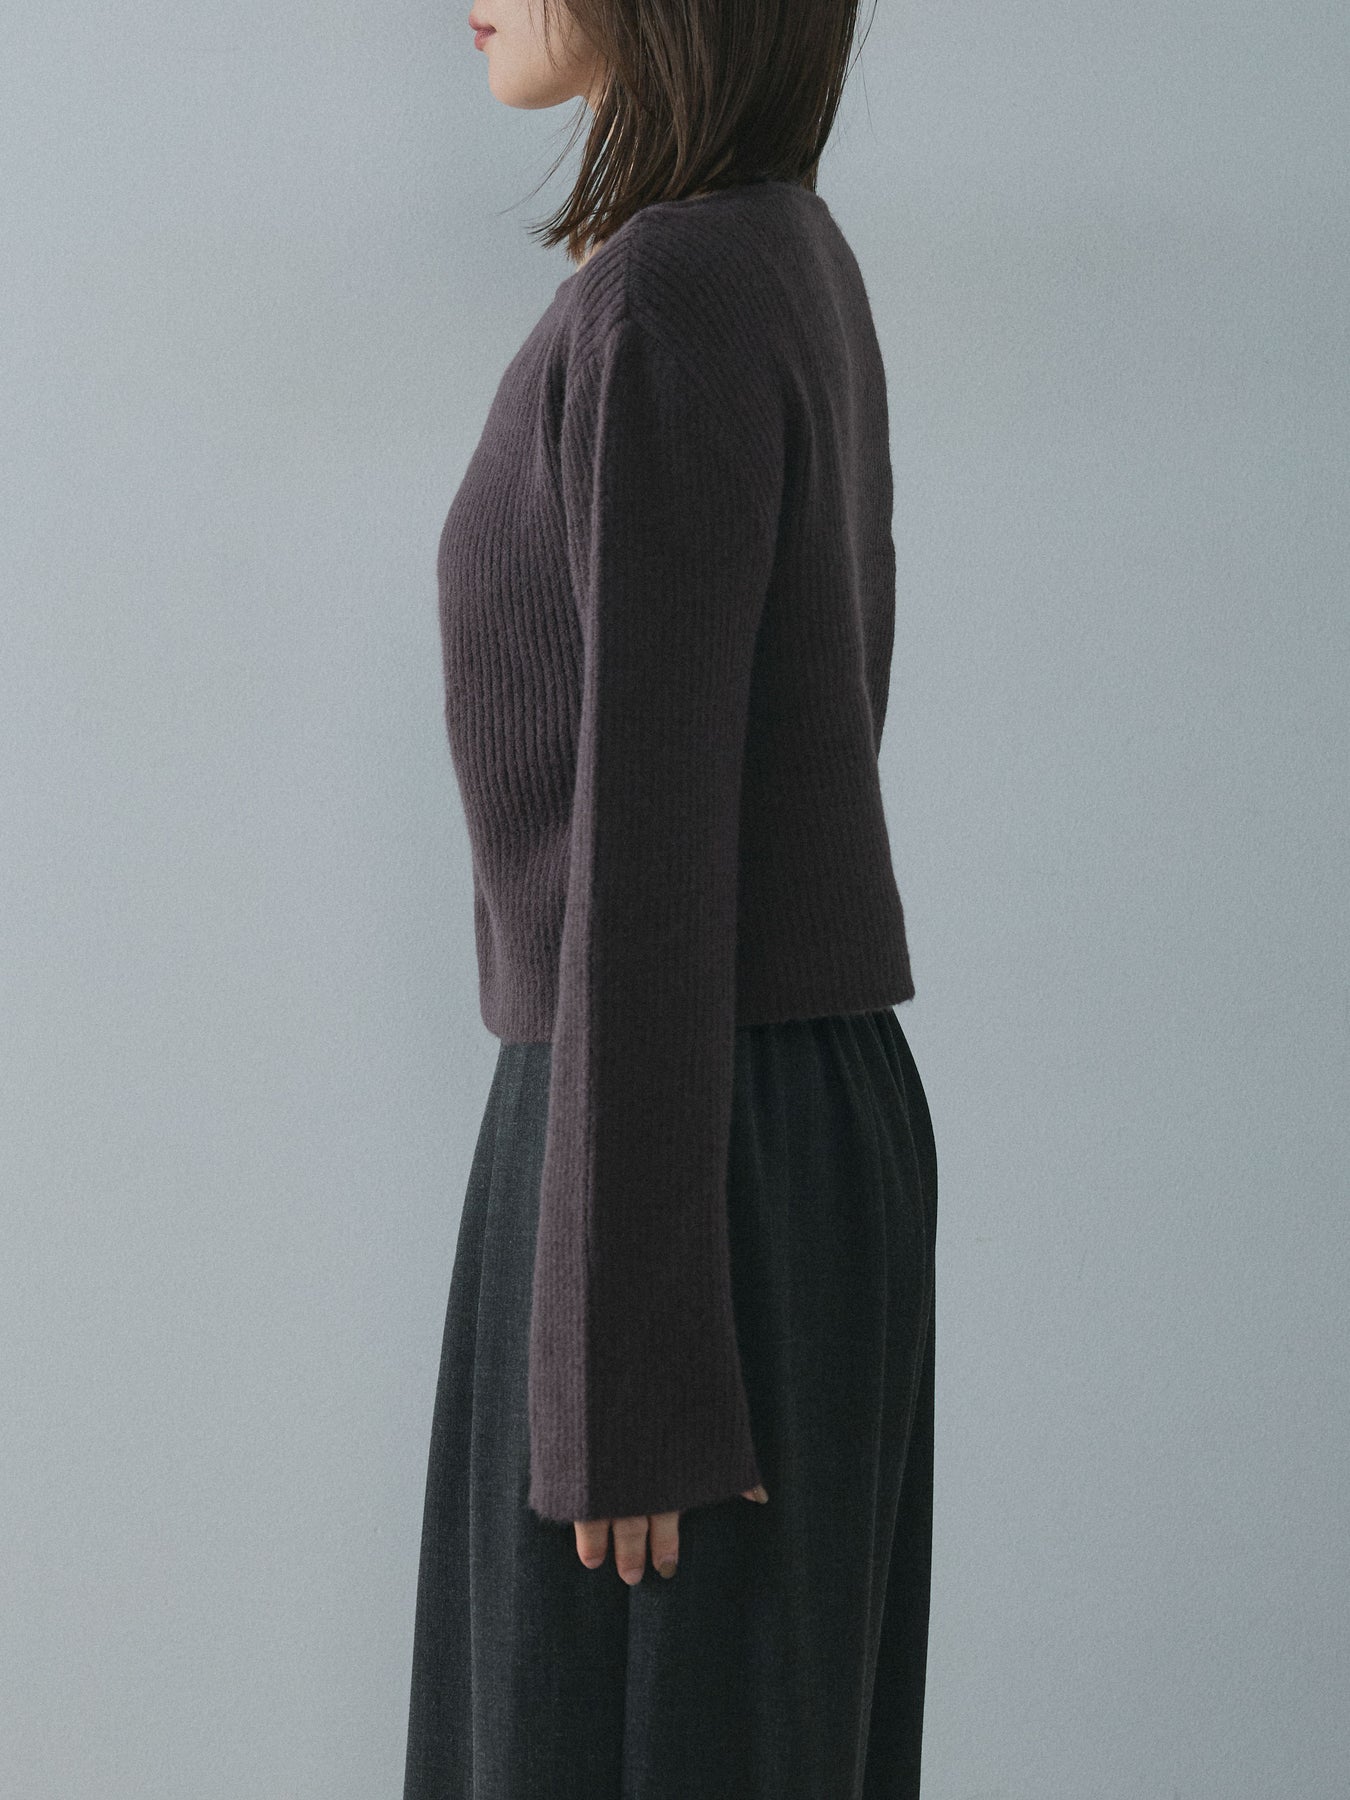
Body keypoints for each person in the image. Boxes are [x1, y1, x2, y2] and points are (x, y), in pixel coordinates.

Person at [402, 0, 939, 1792]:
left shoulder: (668, 296)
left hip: (667, 1145)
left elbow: (652, 847)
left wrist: (623, 1369)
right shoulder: (775, 252)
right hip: (748, 1127)